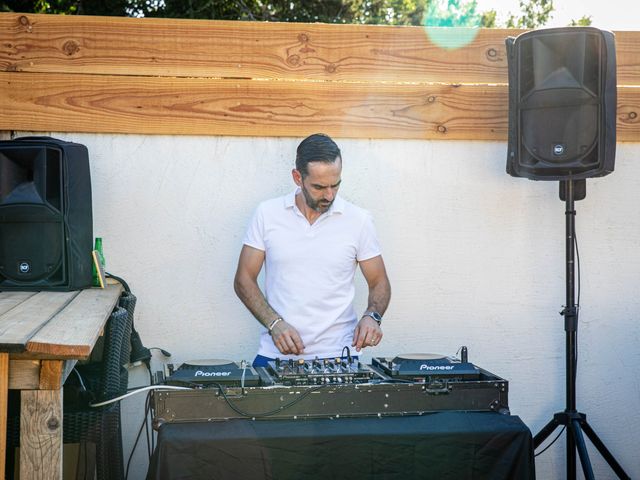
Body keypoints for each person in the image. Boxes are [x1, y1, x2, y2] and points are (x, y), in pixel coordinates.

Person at [234, 133, 391, 367]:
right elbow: (244, 279)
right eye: (319, 187)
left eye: (335, 185)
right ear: (298, 177)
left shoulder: (359, 220)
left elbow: (379, 282)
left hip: (340, 355)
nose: (329, 195)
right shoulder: (267, 214)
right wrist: (274, 323)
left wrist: (372, 316)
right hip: (275, 355)